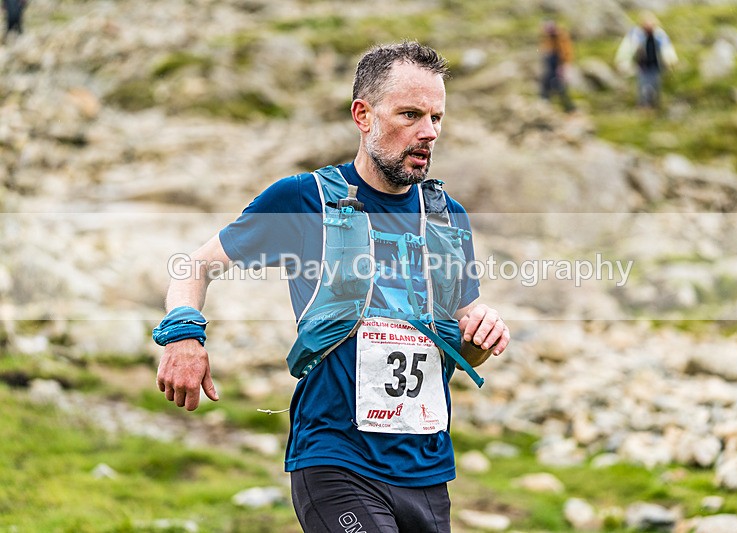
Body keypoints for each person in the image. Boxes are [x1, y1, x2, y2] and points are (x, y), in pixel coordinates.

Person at [154, 41, 510, 532]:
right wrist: (183, 335)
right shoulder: (305, 200)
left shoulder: (448, 219)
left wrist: (480, 340)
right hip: (335, 459)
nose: (428, 132)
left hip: (425, 470)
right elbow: (192, 266)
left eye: (436, 117)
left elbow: (463, 350)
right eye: (410, 114)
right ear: (363, 116)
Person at [614, 11, 678, 108]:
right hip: (643, 66)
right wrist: (622, 60)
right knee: (644, 87)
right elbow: (626, 48)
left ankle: (655, 107)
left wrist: (671, 60)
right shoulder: (636, 34)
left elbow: (667, 48)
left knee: (656, 86)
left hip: (656, 66)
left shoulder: (659, 34)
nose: (649, 25)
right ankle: (644, 106)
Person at [539, 20, 575, 112]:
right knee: (546, 81)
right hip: (551, 63)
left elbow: (566, 53)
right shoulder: (548, 38)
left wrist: (564, 66)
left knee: (559, 85)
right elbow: (545, 49)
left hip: (558, 64)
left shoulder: (561, 37)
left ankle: (569, 107)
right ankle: (545, 100)